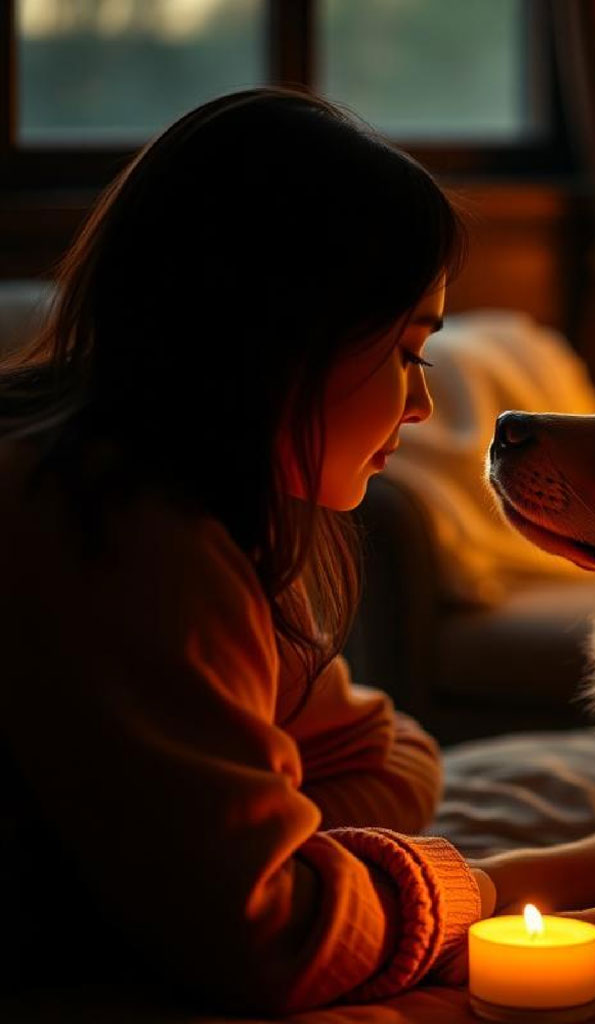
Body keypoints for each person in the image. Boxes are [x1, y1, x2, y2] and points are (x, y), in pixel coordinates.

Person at [0, 87, 495, 1015]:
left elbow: (391, 756)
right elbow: (268, 935)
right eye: (407, 351)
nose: (421, 405)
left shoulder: (203, 506)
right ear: (284, 333)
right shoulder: (124, 534)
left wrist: (294, 842)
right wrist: (456, 892)